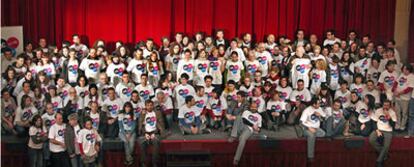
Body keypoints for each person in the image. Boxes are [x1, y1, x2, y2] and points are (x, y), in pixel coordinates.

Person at [227, 101, 262, 166]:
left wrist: (257, 129)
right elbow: (244, 120)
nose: (253, 108)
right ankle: (233, 136)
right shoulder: (246, 112)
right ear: (250, 107)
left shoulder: (259, 116)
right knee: (238, 117)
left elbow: (259, 127)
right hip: (242, 126)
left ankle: (236, 159)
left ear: (257, 108)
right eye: (252, 107)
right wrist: (252, 125)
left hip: (249, 130)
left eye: (255, 107)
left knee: (242, 139)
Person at [369, 100, 397, 167]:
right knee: (371, 140)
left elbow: (393, 125)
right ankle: (385, 154)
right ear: (382, 105)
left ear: (390, 106)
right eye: (384, 105)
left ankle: (379, 161)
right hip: (379, 129)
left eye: (387, 105)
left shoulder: (392, 113)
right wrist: (377, 131)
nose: (385, 107)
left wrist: (388, 116)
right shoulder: (378, 111)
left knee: (386, 146)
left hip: (388, 131)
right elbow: (373, 122)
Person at [138, 100, 165, 167]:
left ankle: (155, 163)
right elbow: (140, 125)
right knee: (142, 143)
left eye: (151, 105)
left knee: (156, 143)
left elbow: (161, 125)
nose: (149, 107)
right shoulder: (142, 113)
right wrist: (145, 133)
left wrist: (155, 133)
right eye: (148, 105)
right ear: (145, 106)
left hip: (155, 132)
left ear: (153, 106)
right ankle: (143, 163)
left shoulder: (157, 113)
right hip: (145, 133)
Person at [300, 97, 326, 164]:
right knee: (311, 136)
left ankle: (311, 136)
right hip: (307, 128)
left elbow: (325, 117)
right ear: (313, 104)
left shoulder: (319, 109)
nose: (319, 105)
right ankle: (310, 156)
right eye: (318, 104)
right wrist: (309, 128)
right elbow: (301, 122)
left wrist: (320, 115)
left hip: (316, 128)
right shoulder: (307, 110)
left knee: (323, 134)